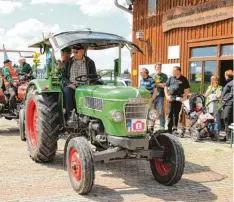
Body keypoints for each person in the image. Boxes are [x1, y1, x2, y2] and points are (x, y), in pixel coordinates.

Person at [61, 44, 97, 121]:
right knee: (67, 91)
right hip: (72, 86)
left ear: (82, 51)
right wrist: (69, 84)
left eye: (76, 52)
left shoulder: (90, 62)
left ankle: (91, 116)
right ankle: (70, 116)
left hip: (86, 86)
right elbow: (63, 76)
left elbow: (94, 77)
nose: (74, 53)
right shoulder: (68, 62)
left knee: (95, 92)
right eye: (73, 52)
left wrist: (89, 83)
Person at [164, 66, 190, 133]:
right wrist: (167, 96)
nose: (173, 72)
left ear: (178, 71)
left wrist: (184, 98)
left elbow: (187, 89)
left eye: (174, 71)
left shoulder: (184, 79)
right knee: (170, 113)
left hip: (179, 98)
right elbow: (165, 87)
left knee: (176, 113)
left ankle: (175, 129)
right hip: (171, 97)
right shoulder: (171, 78)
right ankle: (169, 128)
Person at [139, 67, 157, 131]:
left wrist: (152, 99)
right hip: (142, 100)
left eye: (141, 72)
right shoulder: (141, 80)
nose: (140, 73)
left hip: (149, 99)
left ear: (145, 72)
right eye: (140, 72)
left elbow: (155, 91)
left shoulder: (151, 80)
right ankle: (144, 126)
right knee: (143, 113)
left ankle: (151, 127)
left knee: (150, 113)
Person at [152, 63, 168, 130]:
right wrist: (155, 75)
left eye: (160, 67)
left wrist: (156, 83)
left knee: (161, 111)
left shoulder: (164, 76)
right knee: (152, 111)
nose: (159, 69)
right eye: (157, 67)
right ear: (155, 68)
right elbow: (151, 84)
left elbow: (165, 85)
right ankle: (151, 126)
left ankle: (162, 126)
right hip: (153, 96)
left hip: (160, 96)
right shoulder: (152, 75)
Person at [221, 69, 233, 143]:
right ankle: (227, 136)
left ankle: (229, 138)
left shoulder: (232, 83)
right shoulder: (229, 83)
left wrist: (225, 99)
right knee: (227, 120)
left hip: (230, 104)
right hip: (227, 104)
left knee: (227, 119)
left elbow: (232, 93)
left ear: (227, 75)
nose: (224, 76)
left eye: (225, 75)